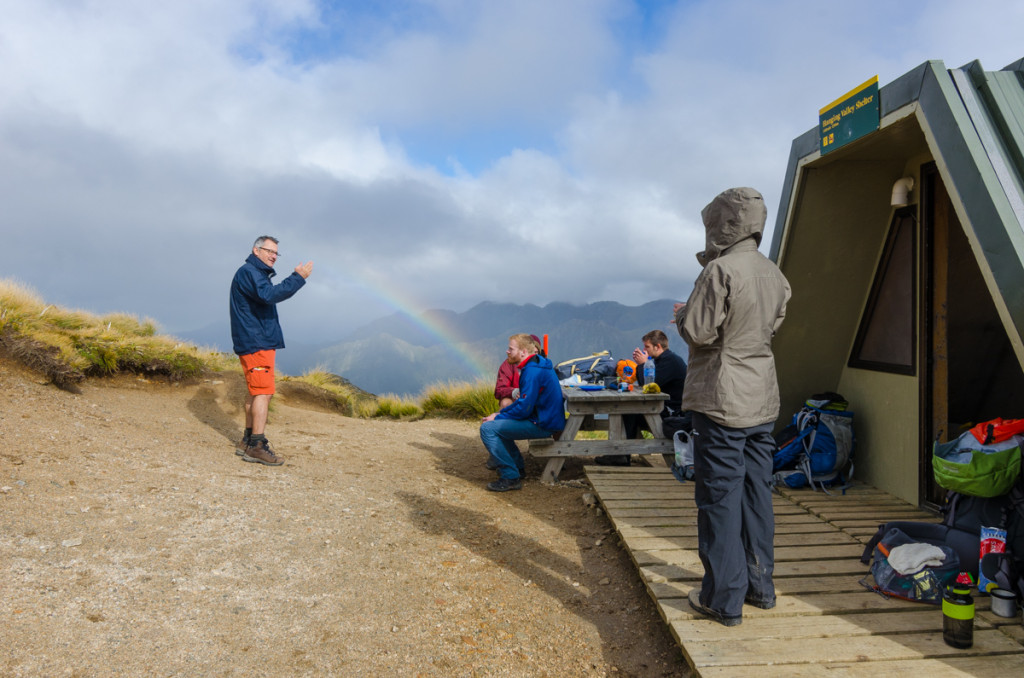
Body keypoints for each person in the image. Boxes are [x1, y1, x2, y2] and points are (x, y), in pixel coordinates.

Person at [674, 187, 791, 627]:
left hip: (722, 400)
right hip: (763, 398)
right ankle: (761, 588)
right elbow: (770, 327)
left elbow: (700, 333)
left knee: (719, 498)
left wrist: (685, 312)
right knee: (757, 494)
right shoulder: (774, 273)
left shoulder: (720, 270)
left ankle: (723, 599)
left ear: (722, 224)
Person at [229, 236, 313, 466]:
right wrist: (298, 278)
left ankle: (246, 441)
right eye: (269, 251)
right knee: (263, 392)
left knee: (255, 392)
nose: (273, 255)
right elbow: (270, 295)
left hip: (252, 341)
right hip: (257, 343)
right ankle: (256, 445)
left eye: (276, 252)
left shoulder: (251, 273)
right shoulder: (250, 272)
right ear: (256, 251)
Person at [480, 334, 566, 492]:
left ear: (523, 352)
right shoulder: (537, 365)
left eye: (511, 349)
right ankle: (517, 468)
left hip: (543, 423)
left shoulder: (531, 372)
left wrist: (498, 415)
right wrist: (500, 416)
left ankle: (510, 477)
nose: (507, 352)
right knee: (497, 425)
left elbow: (524, 407)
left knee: (488, 428)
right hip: (544, 419)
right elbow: (524, 404)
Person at [595, 329, 688, 466]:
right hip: (664, 408)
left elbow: (648, 384)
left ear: (658, 347)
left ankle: (621, 455)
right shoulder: (662, 360)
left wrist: (643, 364)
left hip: (672, 413)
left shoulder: (670, 361)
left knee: (628, 410)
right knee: (625, 410)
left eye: (647, 347)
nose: (645, 350)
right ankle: (619, 454)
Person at [494, 334, 544, 408]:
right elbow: (499, 390)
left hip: (535, 402)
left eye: (535, 352)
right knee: (505, 403)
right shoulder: (508, 365)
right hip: (515, 401)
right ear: (524, 351)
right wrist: (514, 392)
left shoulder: (542, 366)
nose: (532, 355)